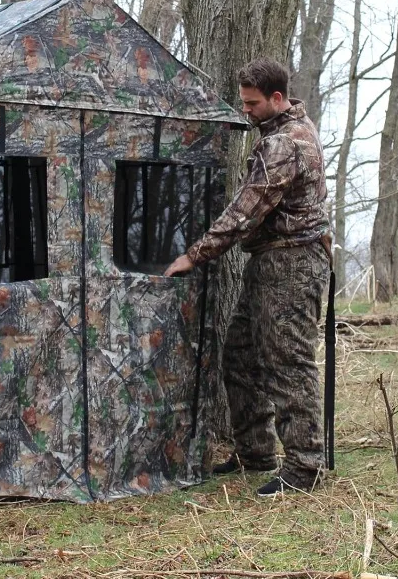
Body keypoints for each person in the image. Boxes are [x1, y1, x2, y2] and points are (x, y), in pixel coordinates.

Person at [165, 57, 331, 498]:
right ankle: (256, 452)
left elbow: (244, 211)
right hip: (271, 262)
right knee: (240, 354)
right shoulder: (285, 131)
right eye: (243, 102)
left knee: (288, 363)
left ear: (277, 99)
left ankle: (304, 466)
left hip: (291, 265)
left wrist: (194, 255)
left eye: (252, 103)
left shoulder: (285, 144)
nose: (246, 111)